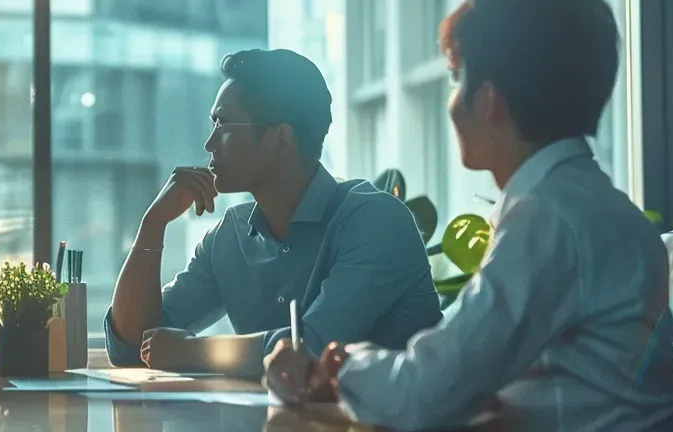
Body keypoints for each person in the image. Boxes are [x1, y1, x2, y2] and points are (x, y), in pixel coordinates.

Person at [265, 0, 673, 431]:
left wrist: (339, 367)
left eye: (455, 78)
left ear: (489, 101)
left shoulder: (549, 218)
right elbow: (471, 377)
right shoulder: (583, 203)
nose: (452, 101)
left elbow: (427, 394)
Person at [106, 48, 441, 376]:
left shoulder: (375, 221)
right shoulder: (230, 236)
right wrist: (153, 225)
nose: (209, 144)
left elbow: (311, 351)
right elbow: (131, 347)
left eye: (223, 126)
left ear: (281, 138)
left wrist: (193, 350)